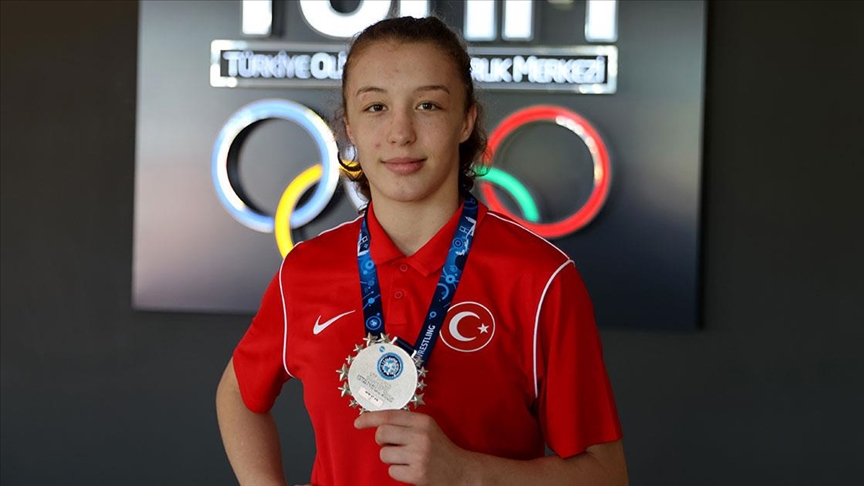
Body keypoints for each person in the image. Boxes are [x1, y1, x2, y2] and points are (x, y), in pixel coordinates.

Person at [216, 16, 627, 486]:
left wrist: (468, 473)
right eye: (375, 107)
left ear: (466, 121)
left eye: (428, 105)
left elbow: (606, 475)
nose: (400, 133)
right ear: (349, 126)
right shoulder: (306, 270)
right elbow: (238, 395)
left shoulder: (541, 278)